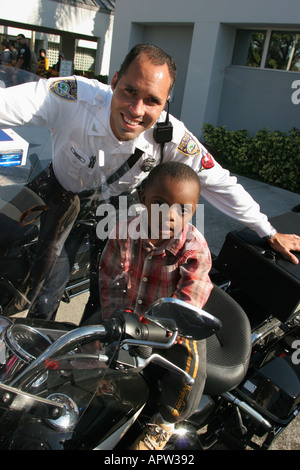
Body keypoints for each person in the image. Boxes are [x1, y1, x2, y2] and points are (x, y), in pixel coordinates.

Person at [0, 43, 299, 319]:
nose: (136, 110)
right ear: (114, 80)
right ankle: (33, 350)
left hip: (114, 206)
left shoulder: (171, 136)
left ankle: (91, 354)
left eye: (152, 101)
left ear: (166, 102)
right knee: (44, 281)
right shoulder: (74, 98)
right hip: (59, 193)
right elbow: (7, 104)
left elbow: (219, 181)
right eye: (129, 91)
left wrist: (268, 231)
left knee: (110, 289)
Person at [99, 161, 213, 450]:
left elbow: (189, 301)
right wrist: (118, 318)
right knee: (92, 339)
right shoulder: (123, 233)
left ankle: (166, 422)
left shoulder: (194, 248)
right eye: (160, 203)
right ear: (142, 199)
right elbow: (110, 279)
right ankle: (98, 386)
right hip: (131, 313)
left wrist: (158, 332)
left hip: (174, 327)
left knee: (190, 372)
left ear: (194, 212)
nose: (169, 215)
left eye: (182, 210)